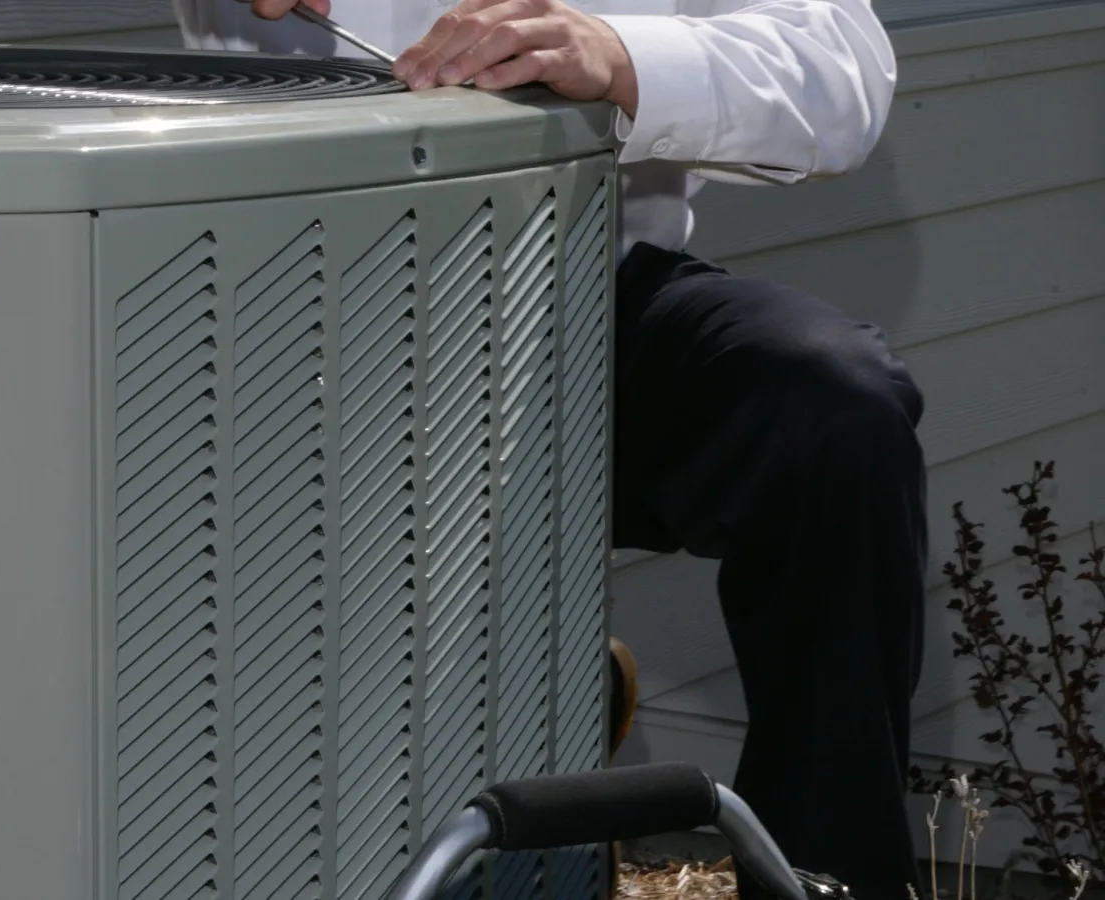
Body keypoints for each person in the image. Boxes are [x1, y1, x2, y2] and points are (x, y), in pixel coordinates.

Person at [173, 2, 930, 900]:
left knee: (830, 407)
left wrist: (620, 54)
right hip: (280, 306)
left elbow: (838, 71)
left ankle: (831, 875)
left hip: (578, 299)